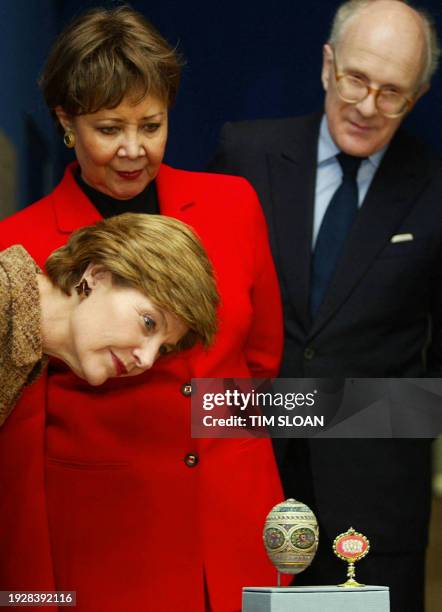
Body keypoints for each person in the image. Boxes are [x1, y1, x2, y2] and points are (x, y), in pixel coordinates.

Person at [0, 7, 285, 612]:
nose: (133, 150)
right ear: (66, 122)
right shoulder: (17, 251)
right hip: (109, 549)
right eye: (109, 129)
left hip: (236, 526)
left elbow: (259, 366)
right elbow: (19, 457)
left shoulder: (233, 205)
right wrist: (30, 597)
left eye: (151, 125)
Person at [209, 1, 442, 610]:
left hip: (375, 511)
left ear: (415, 99)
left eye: (392, 93)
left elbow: (432, 386)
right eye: (357, 79)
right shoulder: (245, 155)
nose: (367, 106)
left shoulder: (436, 192)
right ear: (326, 65)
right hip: (246, 482)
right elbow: (206, 323)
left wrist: (302, 405)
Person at [0, 212, 218, 425]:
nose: (147, 360)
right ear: (96, 275)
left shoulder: (22, 351)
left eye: (163, 349)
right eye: (148, 322)